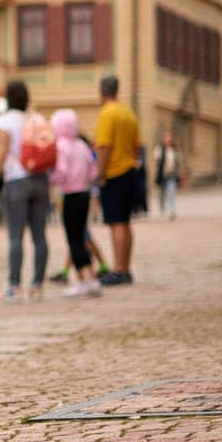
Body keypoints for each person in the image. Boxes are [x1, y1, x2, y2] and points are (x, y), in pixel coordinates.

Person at [0, 80, 51, 302]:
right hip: (40, 180)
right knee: (39, 235)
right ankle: (38, 284)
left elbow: (0, 153)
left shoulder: (5, 121)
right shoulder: (37, 118)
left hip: (16, 181)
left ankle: (14, 285)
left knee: (15, 236)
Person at [94, 75, 141, 286]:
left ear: (102, 91)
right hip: (130, 171)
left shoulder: (107, 114)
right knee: (125, 222)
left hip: (113, 173)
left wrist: (100, 174)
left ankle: (118, 269)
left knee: (116, 223)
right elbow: (138, 146)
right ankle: (126, 267)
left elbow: (103, 146)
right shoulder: (128, 113)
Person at [50, 109, 102, 298]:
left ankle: (81, 281)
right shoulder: (81, 144)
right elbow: (93, 171)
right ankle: (93, 279)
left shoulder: (61, 146)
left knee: (73, 239)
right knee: (82, 236)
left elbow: (61, 171)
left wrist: (53, 180)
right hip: (84, 194)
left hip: (70, 195)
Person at [152, 129, 186, 221]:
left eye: (169, 137)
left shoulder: (175, 149)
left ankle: (172, 211)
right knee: (162, 194)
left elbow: (179, 162)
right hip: (162, 175)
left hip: (172, 174)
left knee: (171, 192)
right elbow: (156, 163)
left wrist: (181, 173)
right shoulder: (159, 149)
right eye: (166, 137)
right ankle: (162, 210)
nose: (168, 139)